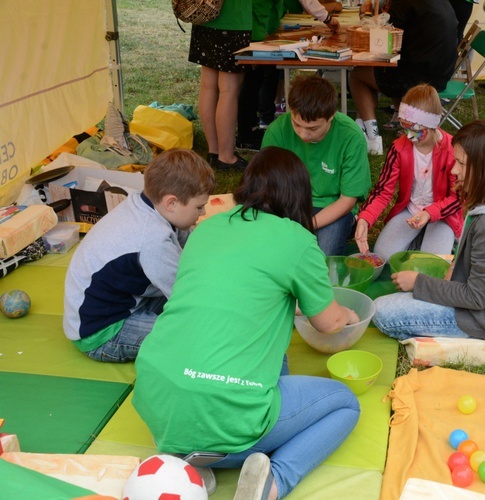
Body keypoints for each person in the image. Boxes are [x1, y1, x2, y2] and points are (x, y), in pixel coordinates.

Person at [132, 147, 361, 500]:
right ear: (299, 195)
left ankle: (192, 455)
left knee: (273, 357)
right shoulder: (297, 240)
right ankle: (273, 482)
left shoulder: (206, 228)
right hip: (224, 408)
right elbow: (328, 323)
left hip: (158, 399)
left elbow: (234, 295)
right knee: (345, 403)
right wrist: (348, 314)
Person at [373, 119, 485, 342]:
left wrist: (418, 282)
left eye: (462, 164)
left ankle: (467, 341)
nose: (454, 170)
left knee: (382, 312)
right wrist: (453, 268)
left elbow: (476, 297)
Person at [63, 149, 215, 362]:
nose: (203, 213)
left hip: (127, 300)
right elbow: (188, 295)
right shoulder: (152, 239)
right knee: (195, 334)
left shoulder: (149, 204)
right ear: (171, 203)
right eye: (199, 207)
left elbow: (190, 250)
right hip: (102, 332)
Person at [262, 74, 371, 256]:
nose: (303, 134)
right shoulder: (277, 131)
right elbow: (267, 187)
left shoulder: (351, 136)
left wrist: (307, 225)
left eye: (313, 128)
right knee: (269, 250)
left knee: (321, 257)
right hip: (289, 203)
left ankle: (346, 227)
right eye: (296, 124)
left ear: (331, 116)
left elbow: (348, 199)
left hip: (332, 207)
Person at [354, 84, 463, 263]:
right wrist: (365, 218)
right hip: (411, 212)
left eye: (417, 132)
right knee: (383, 255)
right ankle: (420, 241)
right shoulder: (399, 147)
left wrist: (429, 213)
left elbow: (457, 197)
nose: (410, 137)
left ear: (433, 125)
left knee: (432, 264)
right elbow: (383, 191)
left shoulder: (452, 151)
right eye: (405, 129)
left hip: (442, 216)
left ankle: (435, 241)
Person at [349, 0, 458, 155]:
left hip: (418, 76)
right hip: (442, 72)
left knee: (357, 75)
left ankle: (373, 138)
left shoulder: (405, 2)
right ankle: (368, 125)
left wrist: (365, 14)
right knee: (378, 69)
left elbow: (381, 33)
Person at [236, 0, 342, 151]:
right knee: (251, 82)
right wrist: (328, 19)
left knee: (255, 80)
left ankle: (251, 129)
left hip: (260, 25)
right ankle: (245, 135)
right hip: (253, 24)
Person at [188, 0, 252, 171]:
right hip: (233, 20)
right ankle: (226, 156)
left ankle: (214, 151)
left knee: (208, 86)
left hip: (204, 16)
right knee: (228, 90)